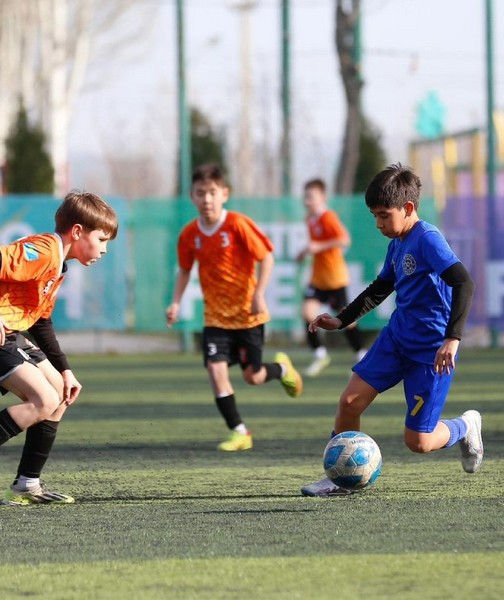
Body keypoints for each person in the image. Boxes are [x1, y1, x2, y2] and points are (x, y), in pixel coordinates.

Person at [300, 163, 481, 497]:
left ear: (408, 208)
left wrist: (452, 339)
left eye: (384, 215)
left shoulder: (427, 239)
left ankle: (465, 426)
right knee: (349, 402)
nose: (378, 223)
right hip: (396, 339)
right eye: (374, 216)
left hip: (430, 353)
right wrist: (341, 319)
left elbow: (464, 283)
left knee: (419, 442)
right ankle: (339, 480)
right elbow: (380, 288)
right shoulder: (397, 242)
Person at [0, 191, 118, 506]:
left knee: (60, 394)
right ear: (77, 232)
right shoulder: (45, 250)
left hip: (9, 330)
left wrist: (66, 370)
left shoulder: (58, 265)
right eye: (102, 239)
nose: (104, 248)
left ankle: (26, 485)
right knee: (44, 400)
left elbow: (41, 322)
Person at [166, 163, 303, 452]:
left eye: (212, 192)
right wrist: (176, 302)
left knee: (253, 376)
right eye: (200, 193)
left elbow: (266, 258)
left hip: (248, 316)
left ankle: (282, 369)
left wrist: (258, 293)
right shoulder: (189, 234)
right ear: (192, 196)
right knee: (215, 370)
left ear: (224, 194)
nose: (206, 199)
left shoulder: (238, 224)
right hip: (215, 319)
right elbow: (184, 270)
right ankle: (240, 431)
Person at [296, 178, 366, 377]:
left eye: (311, 197)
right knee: (307, 313)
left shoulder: (328, 217)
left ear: (322, 197)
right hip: (318, 279)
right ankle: (320, 355)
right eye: (305, 197)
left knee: (346, 319)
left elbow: (344, 240)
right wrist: (304, 252)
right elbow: (316, 245)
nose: (307, 201)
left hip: (335, 279)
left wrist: (318, 246)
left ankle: (361, 355)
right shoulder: (309, 219)